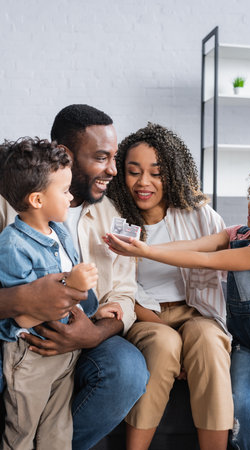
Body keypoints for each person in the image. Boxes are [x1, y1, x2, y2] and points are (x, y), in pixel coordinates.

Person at [105, 151, 250, 450]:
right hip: (245, 346)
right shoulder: (238, 233)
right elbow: (194, 246)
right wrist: (144, 247)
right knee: (243, 411)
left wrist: (145, 252)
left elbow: (206, 259)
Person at [0, 105, 148, 450]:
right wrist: (25, 299)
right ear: (66, 155)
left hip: (83, 334)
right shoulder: (10, 208)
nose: (113, 169)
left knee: (127, 371)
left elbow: (124, 294)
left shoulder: (112, 216)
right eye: (101, 157)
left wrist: (93, 333)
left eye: (114, 157)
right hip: (21, 338)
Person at [106, 122, 233, 450]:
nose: (143, 182)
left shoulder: (200, 215)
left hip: (196, 312)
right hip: (144, 315)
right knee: (164, 344)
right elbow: (117, 287)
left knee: (207, 340)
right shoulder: (114, 218)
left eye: (155, 173)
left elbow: (243, 263)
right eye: (134, 171)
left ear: (173, 173)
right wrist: (168, 331)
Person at [0, 137, 101, 449]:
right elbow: (24, 309)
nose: (71, 198)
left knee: (58, 432)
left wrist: (94, 308)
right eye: (65, 191)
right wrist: (72, 286)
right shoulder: (12, 245)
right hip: (31, 354)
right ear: (37, 200)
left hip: (63, 351)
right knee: (22, 431)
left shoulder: (59, 231)